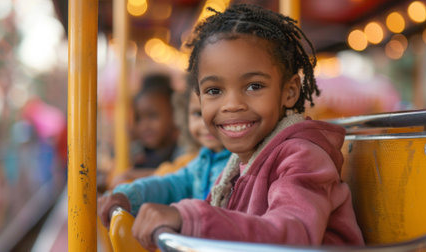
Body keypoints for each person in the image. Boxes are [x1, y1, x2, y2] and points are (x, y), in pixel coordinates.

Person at [130, 4, 365, 251]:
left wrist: (189, 217)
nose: (232, 105)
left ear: (290, 91)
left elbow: (293, 236)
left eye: (254, 86)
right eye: (214, 91)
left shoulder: (303, 157)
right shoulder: (236, 165)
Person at [98, 82, 231, 228]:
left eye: (219, 112)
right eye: (198, 114)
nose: (206, 123)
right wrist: (127, 196)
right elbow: (171, 184)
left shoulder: (238, 164)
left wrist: (184, 217)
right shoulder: (203, 160)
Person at [110, 73, 183, 185]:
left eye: (152, 116)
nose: (144, 126)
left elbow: (182, 176)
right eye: (138, 118)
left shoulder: (183, 150)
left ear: (174, 115)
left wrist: (133, 175)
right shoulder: (138, 152)